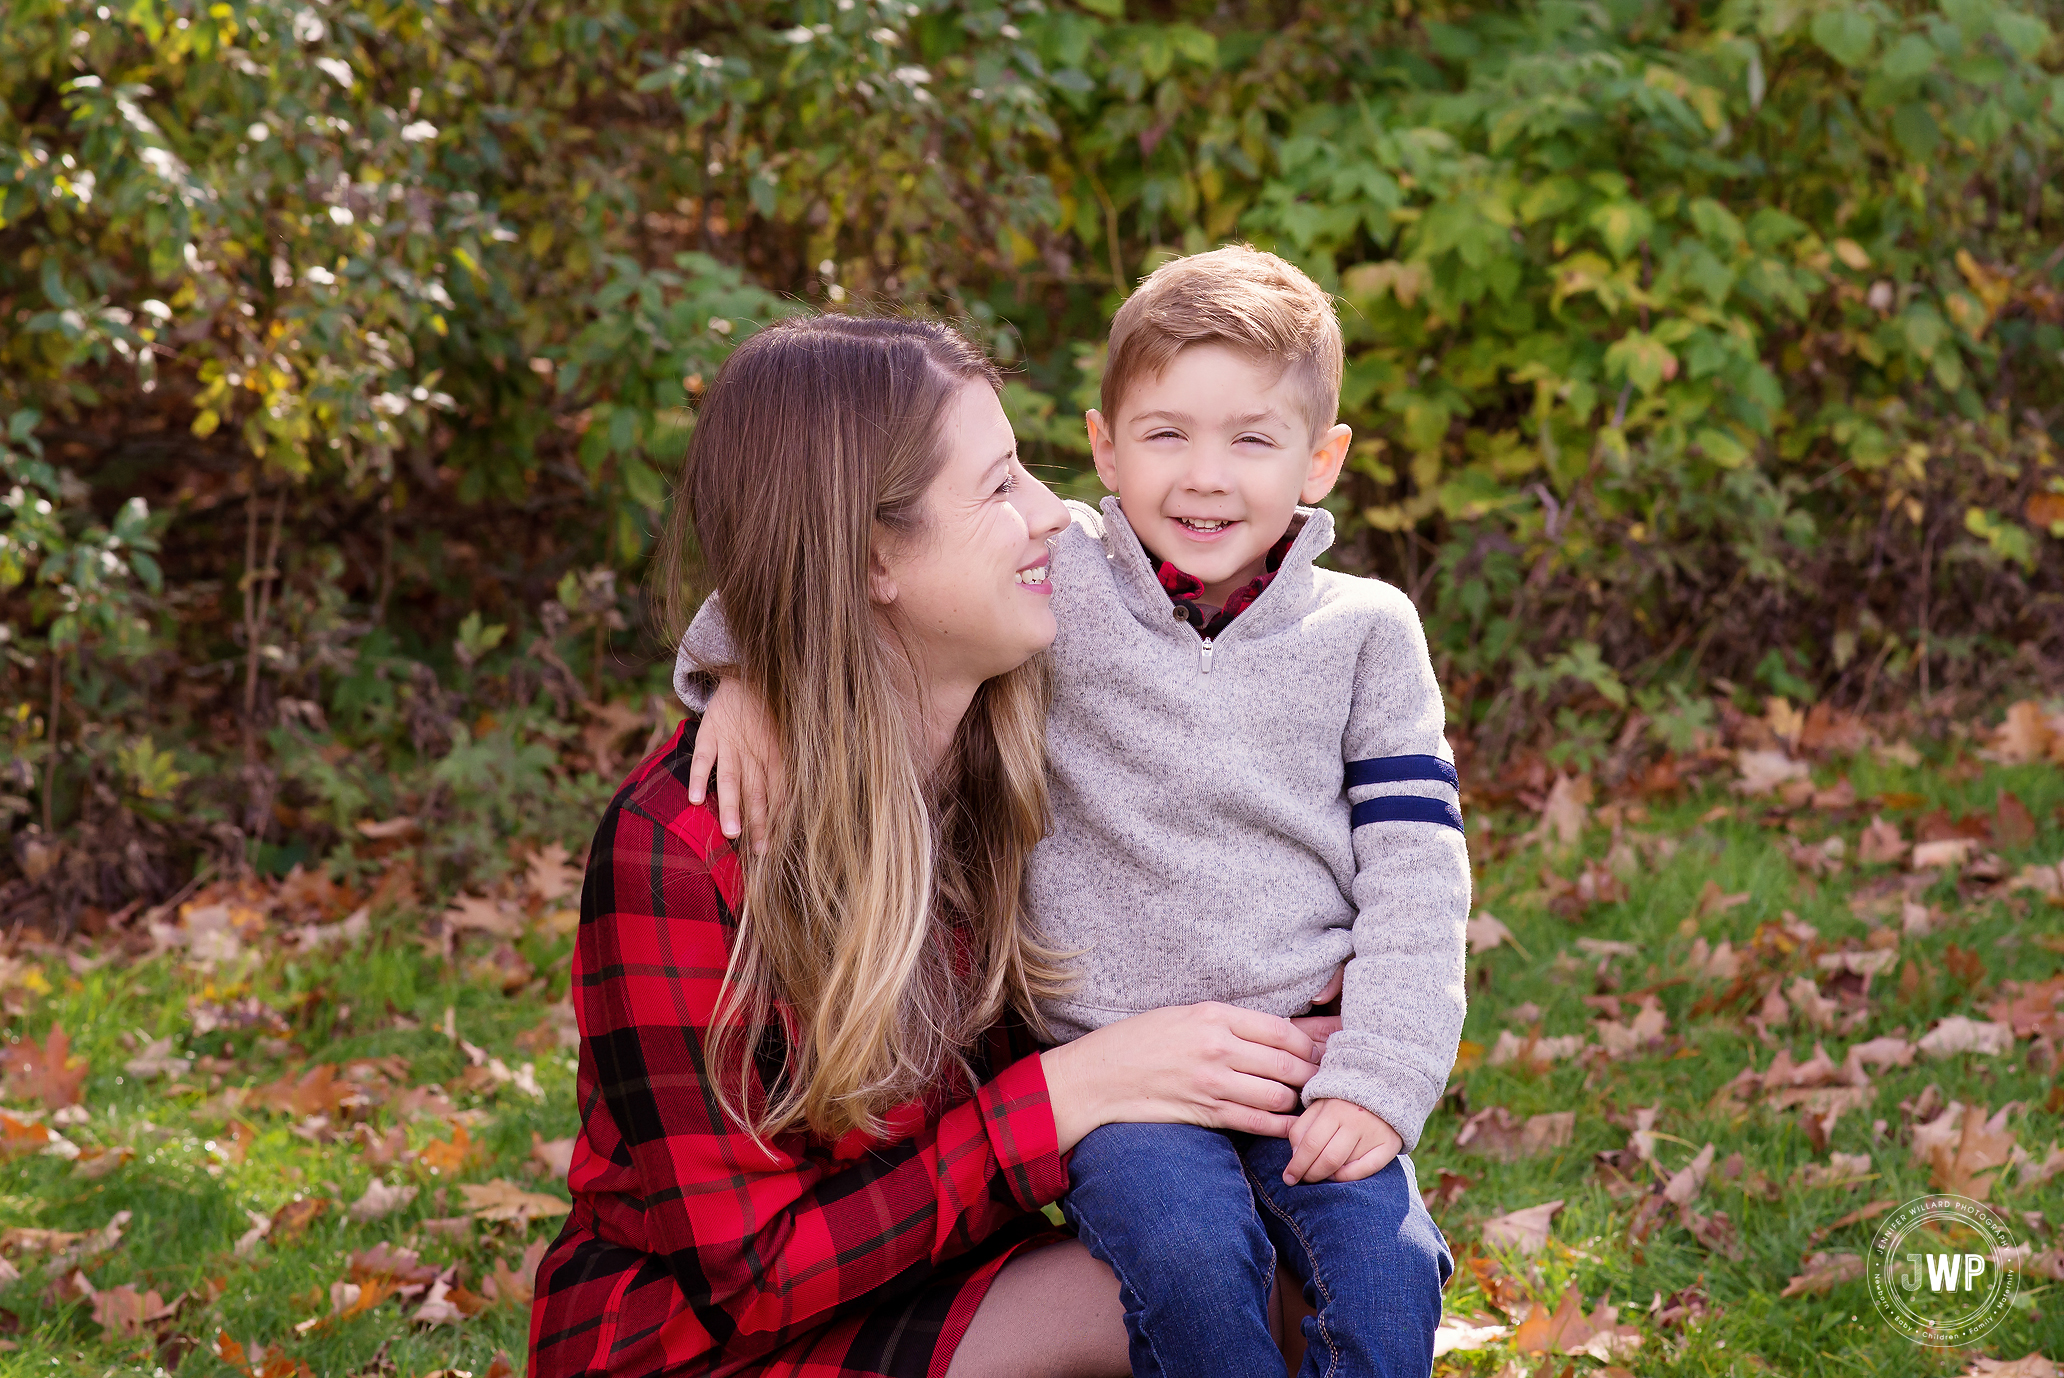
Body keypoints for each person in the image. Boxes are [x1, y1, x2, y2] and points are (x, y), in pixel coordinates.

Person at [680, 247, 1465, 1377]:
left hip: (1307, 1061)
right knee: (1192, 1274)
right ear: (1103, 443)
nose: (1205, 476)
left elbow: (1417, 873)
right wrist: (740, 672)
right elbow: (813, 556)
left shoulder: (1367, 635)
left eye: (1251, 439)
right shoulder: (1069, 589)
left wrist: (1381, 1080)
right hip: (1119, 1074)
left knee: (1388, 1280)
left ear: (1322, 458)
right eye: (1165, 434)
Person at [527, 313, 1346, 1378]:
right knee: (1165, 1308)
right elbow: (752, 1281)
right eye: (1002, 486)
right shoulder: (687, 847)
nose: (1055, 513)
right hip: (704, 1347)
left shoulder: (1030, 739)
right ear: (874, 556)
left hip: (945, 1274)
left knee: (1296, 1293)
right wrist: (1063, 1097)